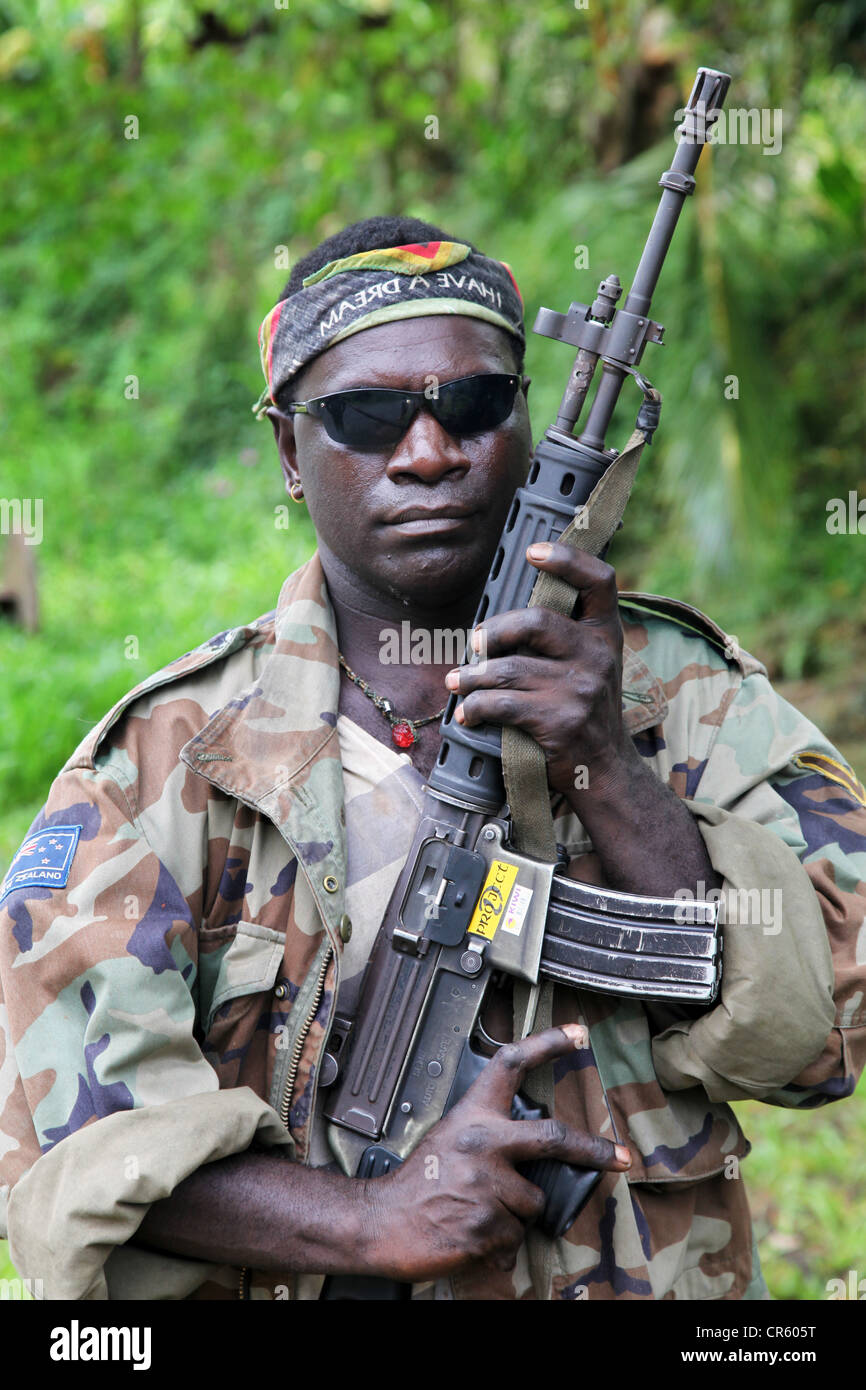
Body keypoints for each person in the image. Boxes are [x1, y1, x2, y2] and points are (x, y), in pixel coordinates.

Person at [1, 215, 864, 1302]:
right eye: (364, 416)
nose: (427, 452)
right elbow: (74, 1154)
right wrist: (370, 1221)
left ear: (525, 428)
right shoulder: (164, 765)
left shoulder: (681, 694)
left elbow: (825, 1039)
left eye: (471, 405)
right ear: (286, 451)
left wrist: (606, 760)